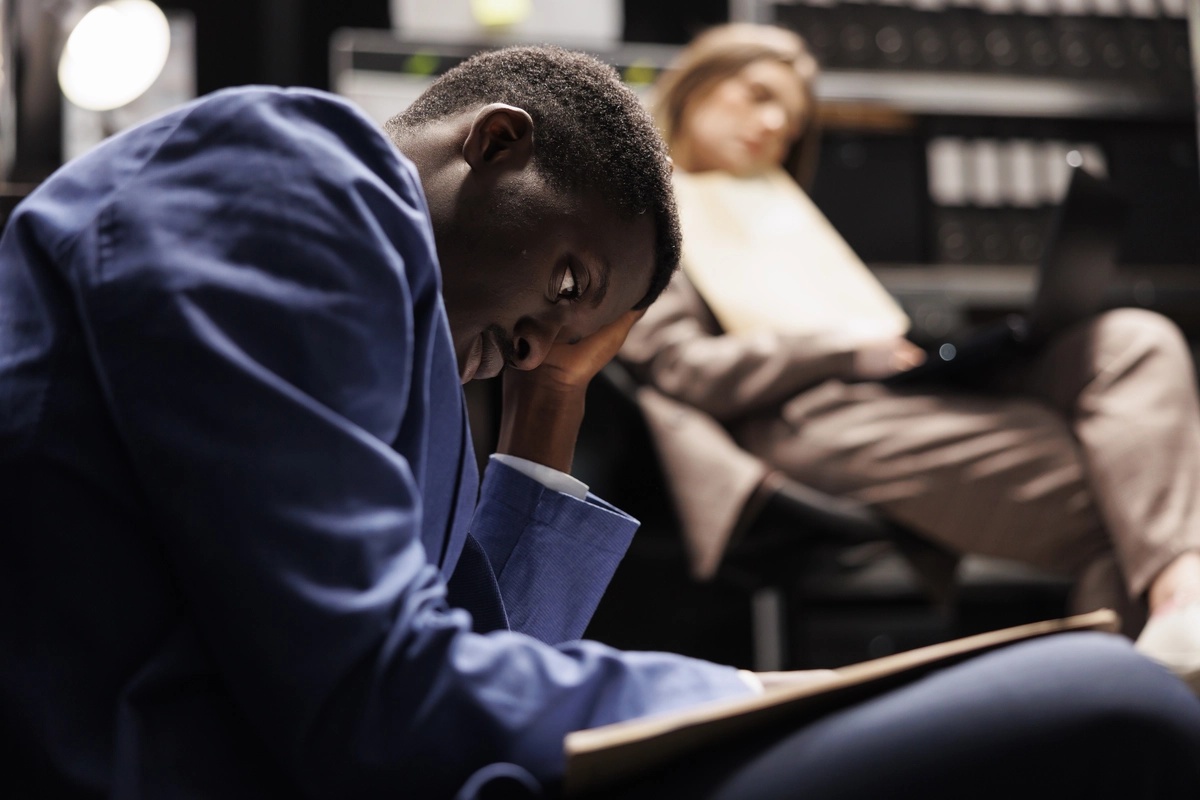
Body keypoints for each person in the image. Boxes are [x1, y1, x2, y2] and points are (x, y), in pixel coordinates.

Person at [0, 44, 1198, 800]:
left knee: (1101, 663)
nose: (544, 331)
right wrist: (751, 690)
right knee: (1113, 699)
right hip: (165, 757)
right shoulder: (296, 171)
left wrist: (553, 390)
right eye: (571, 283)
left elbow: (473, 646)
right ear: (496, 143)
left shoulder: (427, 357)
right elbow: (384, 698)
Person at [619, 23, 1200, 692]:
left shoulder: (780, 215)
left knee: (1135, 335)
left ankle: (1158, 642)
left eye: (792, 118)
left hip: (896, 397)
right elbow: (680, 371)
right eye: (757, 96)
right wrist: (840, 349)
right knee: (1125, 493)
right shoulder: (649, 215)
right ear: (694, 85)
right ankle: (1169, 629)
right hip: (810, 419)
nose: (775, 124)